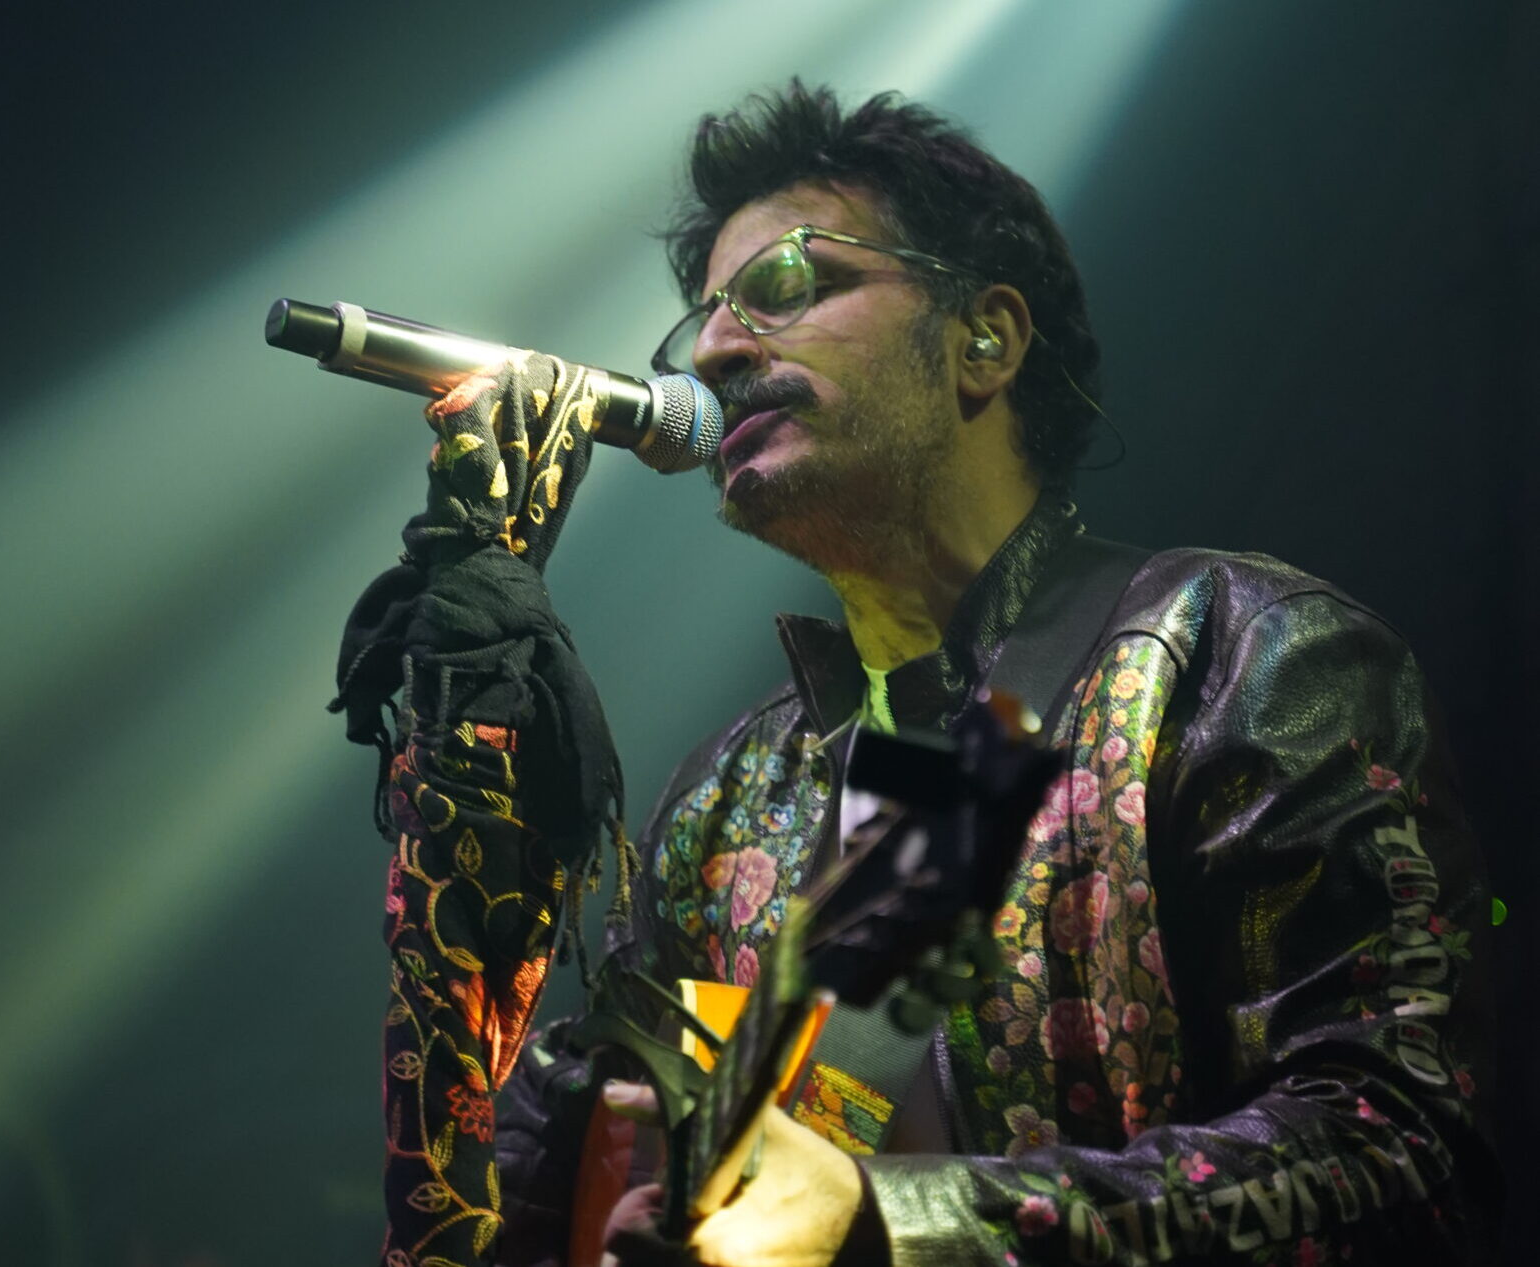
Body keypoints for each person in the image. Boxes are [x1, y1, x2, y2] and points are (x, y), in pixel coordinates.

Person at [333, 82, 1499, 1267]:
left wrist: (891, 1221)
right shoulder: (728, 801)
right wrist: (471, 720)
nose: (723, 347)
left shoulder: (1242, 654)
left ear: (985, 336)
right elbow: (502, 1206)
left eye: (786, 283)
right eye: (704, 319)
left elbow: (1404, 1142)